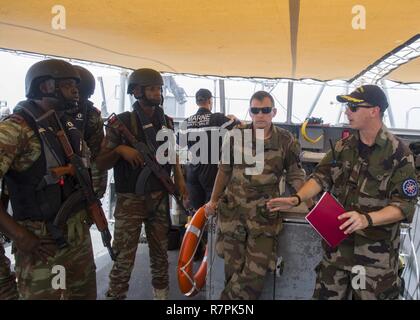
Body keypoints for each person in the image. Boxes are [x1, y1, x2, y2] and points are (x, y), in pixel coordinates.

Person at [267, 84, 418, 300]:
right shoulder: (342, 146)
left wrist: (367, 219)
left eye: (353, 107)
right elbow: (320, 177)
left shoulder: (400, 153)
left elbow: (404, 206)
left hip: (374, 260)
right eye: (347, 106)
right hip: (337, 252)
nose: (347, 111)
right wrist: (297, 198)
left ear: (374, 111)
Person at [0, 59, 97, 299]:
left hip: (76, 233)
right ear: (44, 87)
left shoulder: (65, 125)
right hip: (41, 240)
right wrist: (20, 236)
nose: (75, 90)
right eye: (67, 85)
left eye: (75, 85)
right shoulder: (16, 128)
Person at [204, 90, 306, 299]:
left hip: (263, 217)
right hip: (233, 214)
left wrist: (307, 201)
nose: (260, 115)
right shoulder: (235, 136)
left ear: (273, 112)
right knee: (232, 273)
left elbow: (295, 174)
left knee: (254, 276)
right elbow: (224, 170)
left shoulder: (286, 140)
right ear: (250, 112)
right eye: (255, 110)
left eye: (265, 110)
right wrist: (213, 200)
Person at [96, 68, 188, 300]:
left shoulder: (165, 121)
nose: (158, 93)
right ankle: (116, 295)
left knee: (161, 254)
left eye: (159, 88)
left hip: (159, 197)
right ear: (137, 91)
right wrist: (119, 149)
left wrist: (179, 179)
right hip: (130, 201)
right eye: (152, 89)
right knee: (124, 257)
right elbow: (101, 162)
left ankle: (161, 295)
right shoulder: (121, 123)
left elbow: (172, 155)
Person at [180, 88, 238, 210]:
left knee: (196, 212)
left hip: (192, 172)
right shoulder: (218, 119)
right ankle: (209, 229)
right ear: (210, 101)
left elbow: (179, 143)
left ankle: (195, 229)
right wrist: (234, 118)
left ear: (197, 102)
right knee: (211, 209)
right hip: (211, 172)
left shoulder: (186, 122)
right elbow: (241, 128)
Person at [71, 65, 107, 199]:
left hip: (80, 179)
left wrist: (95, 192)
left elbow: (95, 156)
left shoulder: (91, 116)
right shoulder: (46, 114)